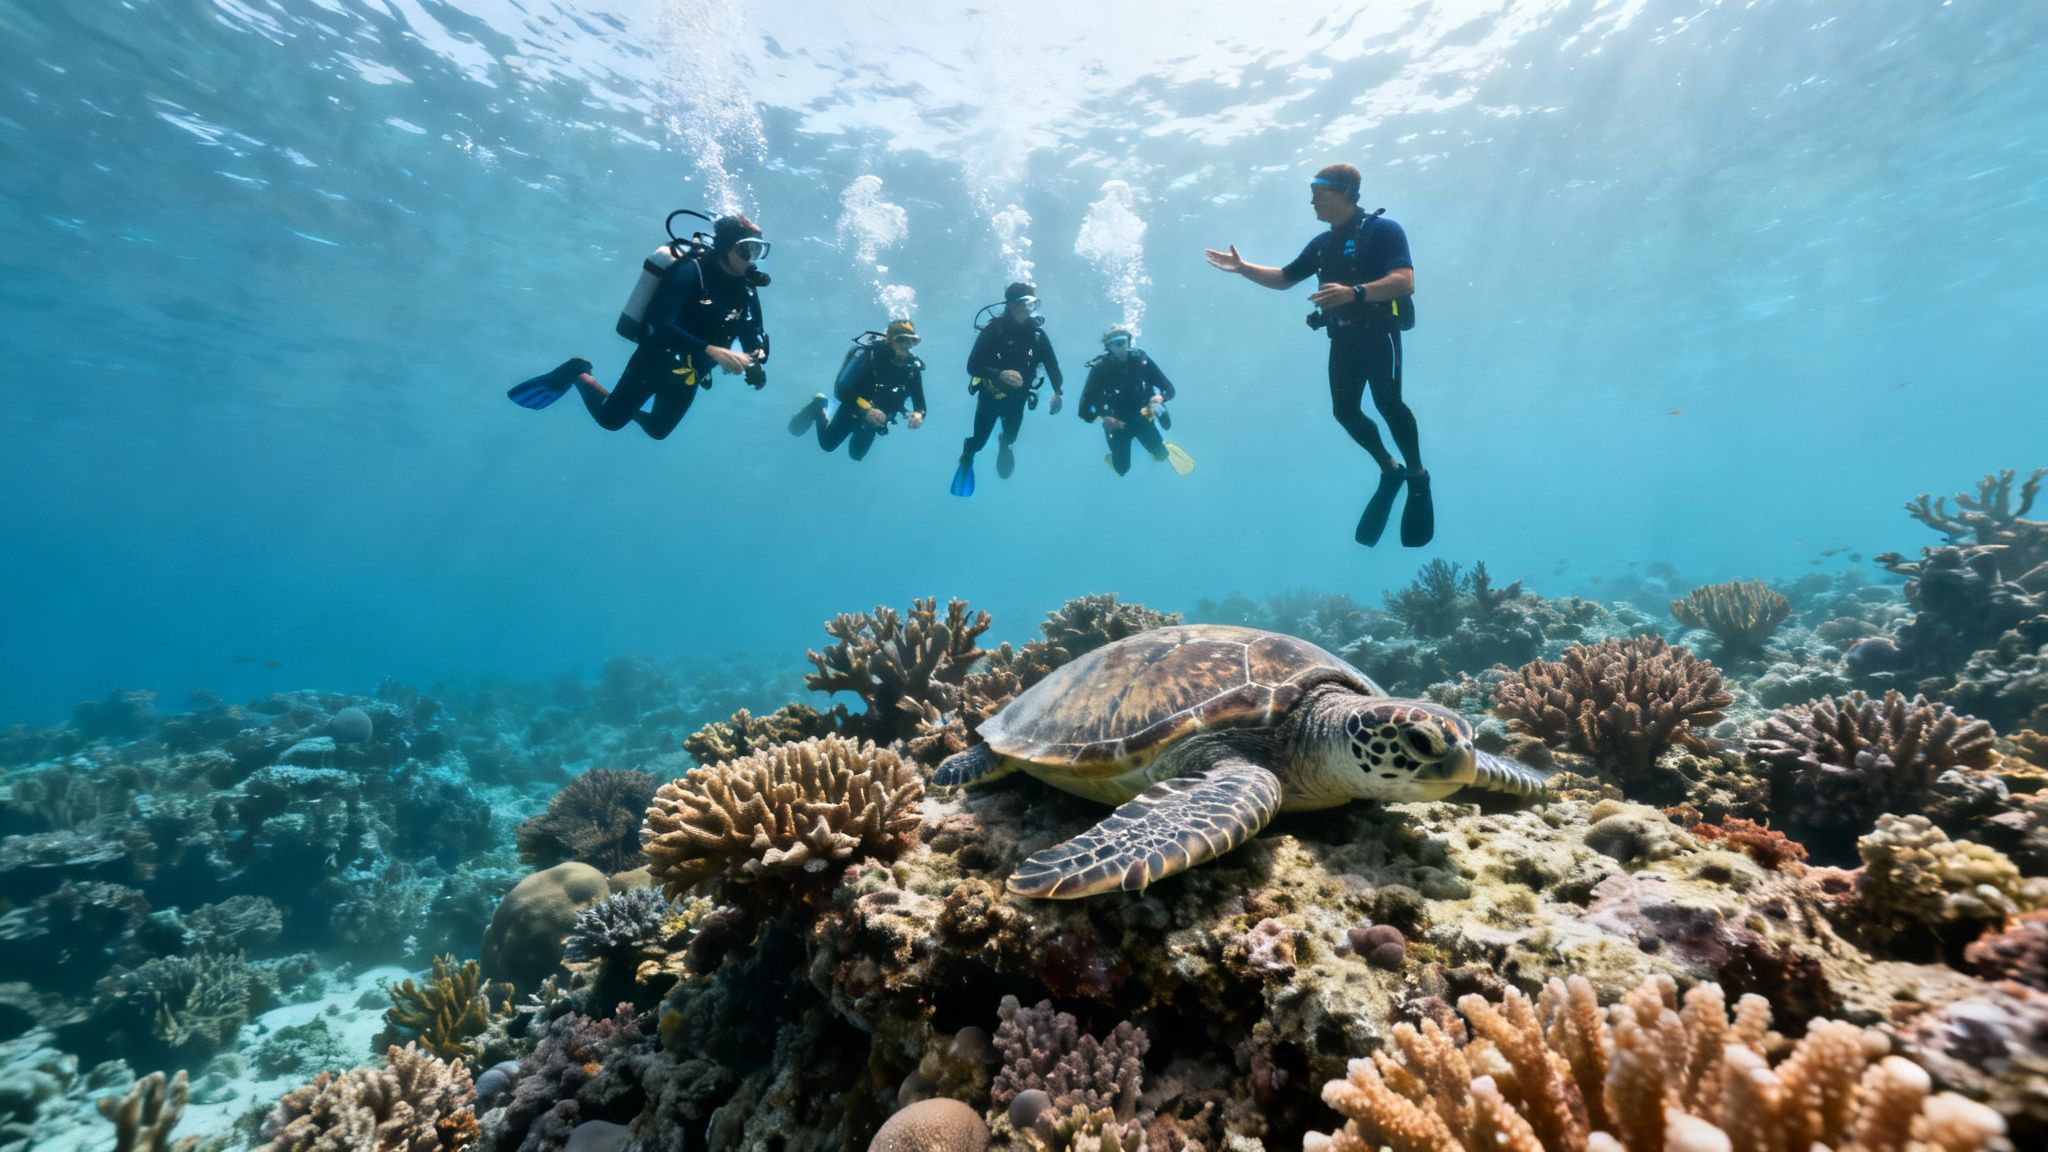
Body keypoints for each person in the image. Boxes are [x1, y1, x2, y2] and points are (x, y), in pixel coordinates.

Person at [1204, 164, 1430, 547]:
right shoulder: (1323, 244)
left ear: (1343, 191)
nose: (1311, 200)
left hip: (1380, 334)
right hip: (1342, 338)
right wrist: (1243, 269)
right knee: (1344, 412)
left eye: (1318, 192)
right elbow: (1285, 277)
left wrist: (1354, 292)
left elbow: (1404, 280)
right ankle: (1389, 469)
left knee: (1389, 404)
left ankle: (1417, 476)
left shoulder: (1383, 231)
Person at [509, 214, 771, 439]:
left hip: (692, 372)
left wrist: (754, 357)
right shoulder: (691, 271)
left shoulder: (744, 287)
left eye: (758, 251)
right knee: (611, 420)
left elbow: (748, 328)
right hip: (656, 360)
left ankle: (614, 399)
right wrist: (712, 351)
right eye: (746, 249)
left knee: (658, 430)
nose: (752, 259)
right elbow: (660, 322)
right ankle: (579, 372)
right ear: (726, 246)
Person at [950, 282, 1064, 497]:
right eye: (1024, 303)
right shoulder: (994, 331)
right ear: (1011, 305)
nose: (1028, 309)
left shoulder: (1038, 336)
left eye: (1033, 304)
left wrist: (1058, 392)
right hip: (990, 396)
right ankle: (967, 455)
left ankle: (1004, 443)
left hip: (1018, 399)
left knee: (1010, 437)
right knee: (979, 441)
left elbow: (1051, 364)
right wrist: (998, 374)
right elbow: (972, 366)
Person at [788, 319, 927, 458]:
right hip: (853, 408)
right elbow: (841, 389)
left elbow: (920, 402)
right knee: (827, 444)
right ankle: (818, 406)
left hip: (877, 420)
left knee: (856, 455)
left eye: (912, 341)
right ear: (890, 339)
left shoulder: (912, 369)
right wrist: (866, 410)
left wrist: (919, 415)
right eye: (902, 340)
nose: (906, 346)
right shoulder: (868, 355)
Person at [1077, 328, 1192, 476]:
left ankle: (1161, 442)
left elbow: (1169, 389)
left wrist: (1160, 398)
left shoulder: (1140, 360)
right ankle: (1113, 459)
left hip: (1142, 416)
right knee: (1122, 470)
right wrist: (1104, 418)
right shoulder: (1100, 368)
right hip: (1117, 424)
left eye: (1122, 342)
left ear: (1128, 342)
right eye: (1114, 344)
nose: (1120, 348)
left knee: (1162, 455)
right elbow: (1083, 409)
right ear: (1108, 347)